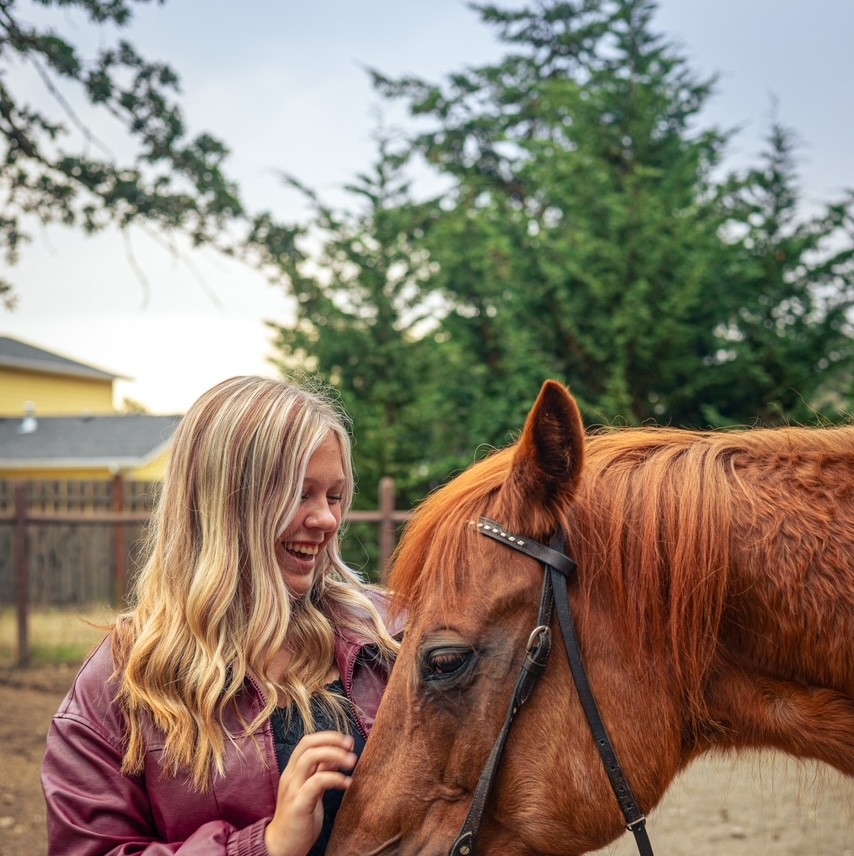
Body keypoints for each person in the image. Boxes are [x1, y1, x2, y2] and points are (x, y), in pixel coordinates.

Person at [41, 375, 403, 856]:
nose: (328, 520)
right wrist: (266, 847)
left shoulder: (392, 635)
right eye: (300, 493)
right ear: (224, 504)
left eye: (334, 496)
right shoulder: (120, 683)